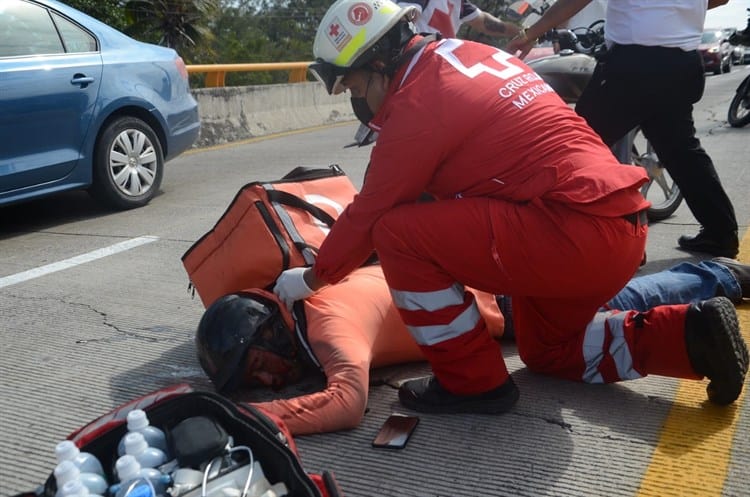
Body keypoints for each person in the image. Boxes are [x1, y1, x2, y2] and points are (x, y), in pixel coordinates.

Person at [273, 0, 747, 416]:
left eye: (354, 87)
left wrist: (311, 279)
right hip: (616, 220)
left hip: (570, 232)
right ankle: (690, 338)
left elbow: (370, 214)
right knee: (549, 352)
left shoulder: (417, 104)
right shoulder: (471, 54)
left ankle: (471, 382)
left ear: (377, 62)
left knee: (397, 234)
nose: (358, 101)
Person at [196, 258, 750, 435]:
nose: (266, 382)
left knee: (613, 302)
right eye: (251, 384)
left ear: (269, 331)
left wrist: (248, 417)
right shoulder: (313, 309)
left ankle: (718, 275)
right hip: (495, 289)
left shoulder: (327, 323)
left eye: (257, 368)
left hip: (505, 300)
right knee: (602, 313)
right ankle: (699, 319)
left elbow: (347, 404)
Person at [506, 0, 740, 258]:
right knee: (682, 152)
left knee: (578, 147)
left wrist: (529, 34)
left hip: (632, 65)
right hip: (681, 63)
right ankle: (721, 234)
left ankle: (617, 243)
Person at [398, 1, 521, 39]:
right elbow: (406, 16)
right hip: (437, 63)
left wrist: (527, 34)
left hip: (417, 62)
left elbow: (485, 22)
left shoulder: (460, 3)